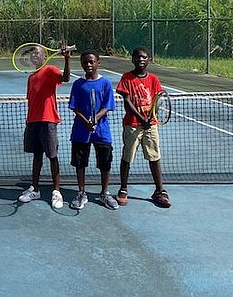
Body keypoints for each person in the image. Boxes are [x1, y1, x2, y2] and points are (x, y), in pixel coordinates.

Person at [115, 46, 171, 208]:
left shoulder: (153, 79)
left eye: (144, 57)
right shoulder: (126, 78)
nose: (141, 60)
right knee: (127, 157)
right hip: (132, 125)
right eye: (138, 57)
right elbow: (127, 100)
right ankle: (123, 189)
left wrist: (151, 117)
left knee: (154, 157)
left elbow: (158, 99)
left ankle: (160, 191)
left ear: (149, 60)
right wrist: (141, 118)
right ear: (133, 59)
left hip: (150, 126)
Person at [18, 45, 72, 208]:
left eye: (37, 53)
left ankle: (56, 191)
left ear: (44, 56)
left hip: (48, 120)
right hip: (33, 121)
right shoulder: (31, 77)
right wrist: (29, 121)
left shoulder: (50, 70)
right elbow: (32, 101)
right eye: (32, 54)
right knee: (37, 156)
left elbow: (66, 78)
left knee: (52, 156)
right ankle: (34, 188)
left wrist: (67, 59)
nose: (34, 56)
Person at [68, 49, 118, 210]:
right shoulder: (78, 84)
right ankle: (82, 192)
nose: (88, 65)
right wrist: (86, 122)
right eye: (85, 62)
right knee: (80, 163)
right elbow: (74, 107)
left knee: (105, 163)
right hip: (80, 131)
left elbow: (108, 106)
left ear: (98, 63)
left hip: (102, 131)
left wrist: (95, 119)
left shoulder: (105, 83)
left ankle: (105, 193)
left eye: (91, 62)